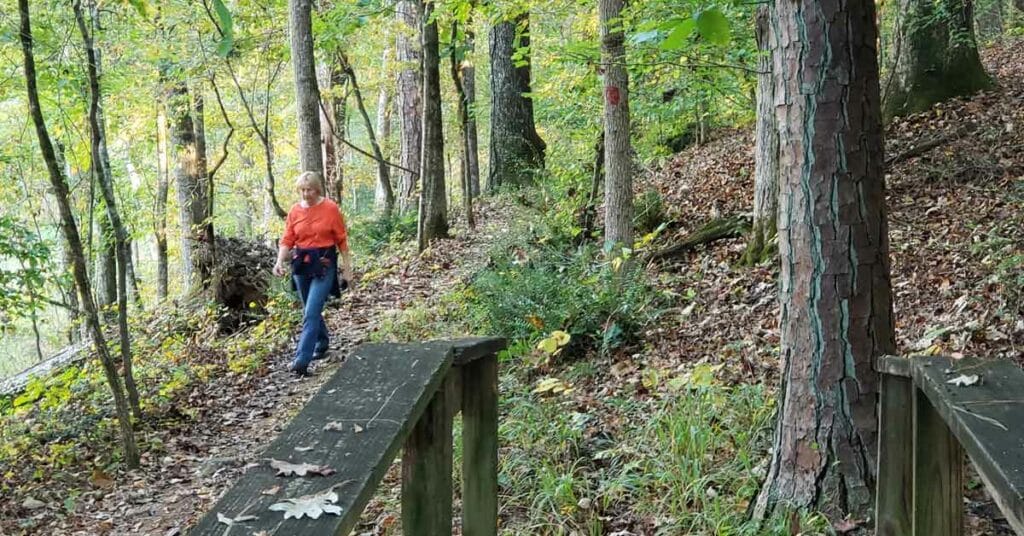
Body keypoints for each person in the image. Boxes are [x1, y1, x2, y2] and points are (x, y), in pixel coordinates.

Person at [273, 171, 354, 376]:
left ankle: (302, 359)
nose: (305, 194)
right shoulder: (294, 211)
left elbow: (342, 241)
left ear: (317, 189)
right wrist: (280, 261)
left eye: (309, 189)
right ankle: (322, 341)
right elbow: (287, 239)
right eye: (302, 190)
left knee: (311, 311)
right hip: (301, 264)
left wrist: (347, 269)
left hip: (324, 263)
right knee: (310, 308)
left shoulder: (330, 208)